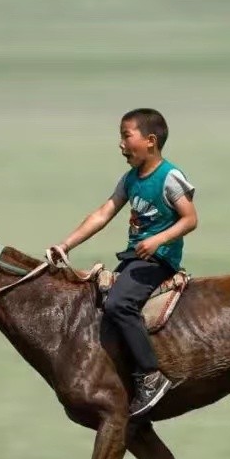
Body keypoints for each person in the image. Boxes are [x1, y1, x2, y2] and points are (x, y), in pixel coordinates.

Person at [46, 108, 197, 416]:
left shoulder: (169, 177)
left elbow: (190, 219)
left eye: (126, 136)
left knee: (119, 305)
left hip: (159, 260)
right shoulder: (130, 180)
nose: (121, 145)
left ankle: (151, 375)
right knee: (99, 303)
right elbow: (103, 214)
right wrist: (66, 244)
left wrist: (157, 240)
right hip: (134, 258)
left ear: (150, 141)